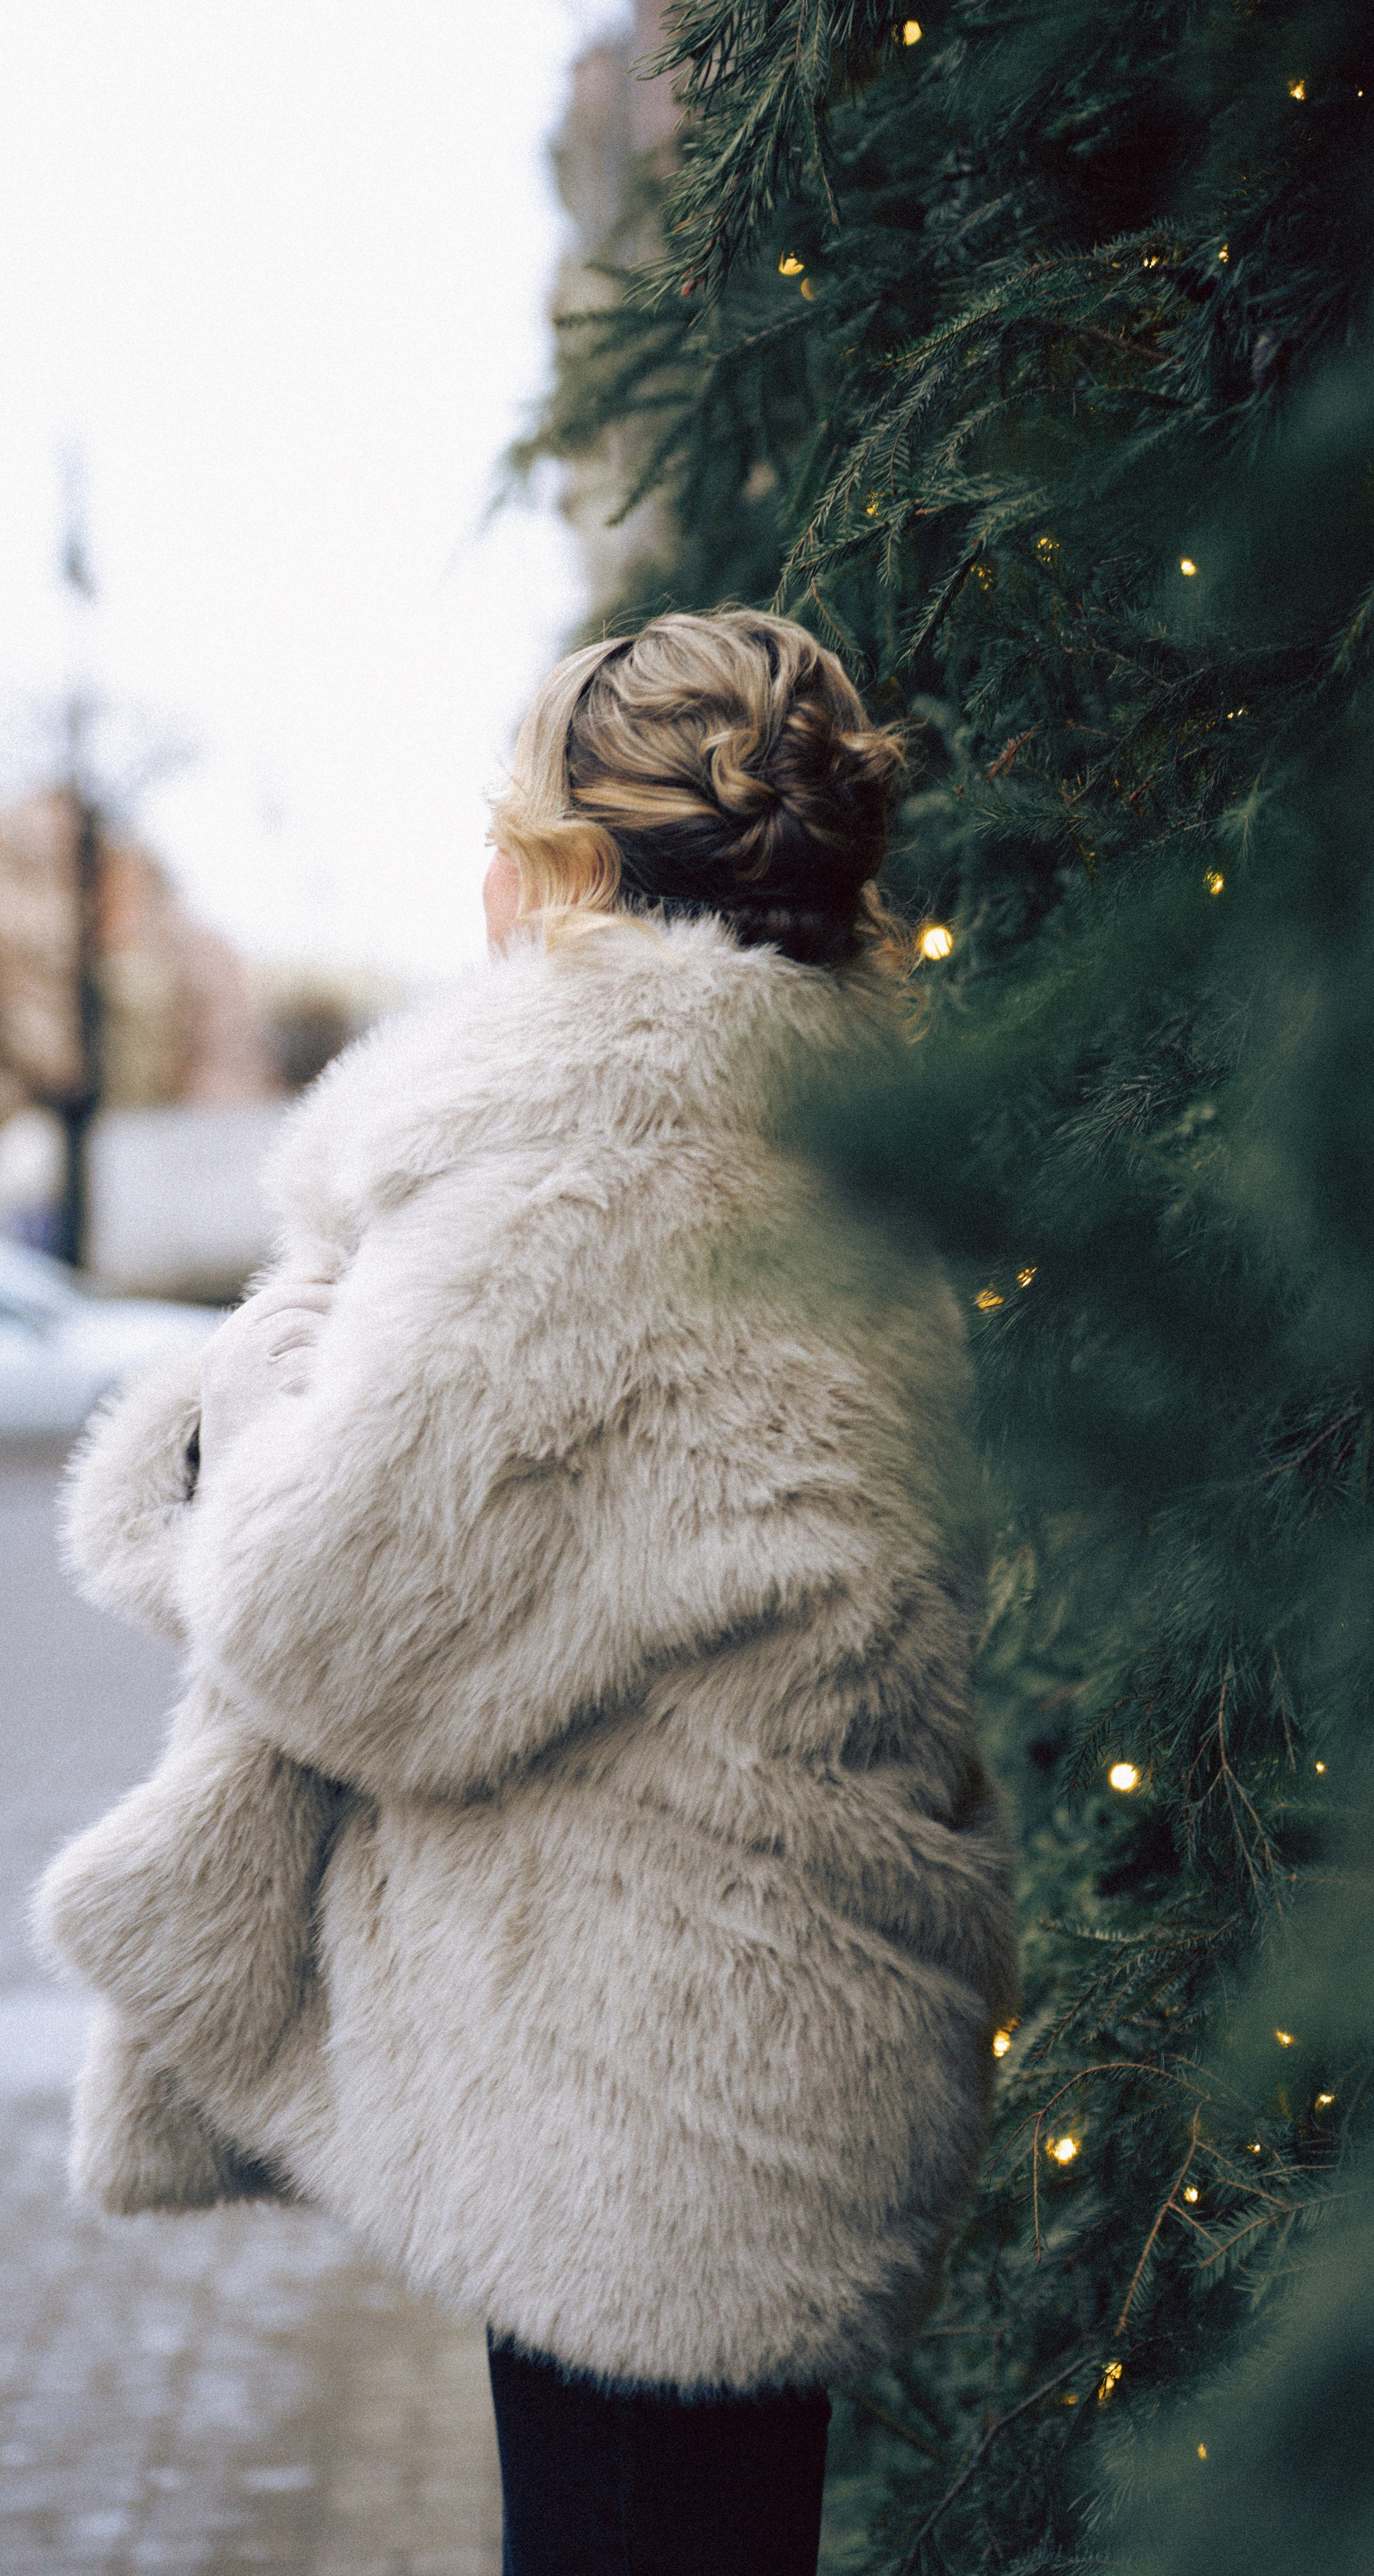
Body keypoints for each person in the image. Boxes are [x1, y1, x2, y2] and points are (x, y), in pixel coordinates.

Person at [36, 609, 1018, 2574]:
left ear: (565, 868)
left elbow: (332, 1625)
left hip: (639, 2081)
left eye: (512, 835)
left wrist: (236, 1416)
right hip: (778, 2024)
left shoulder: (582, 1157)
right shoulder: (853, 1149)